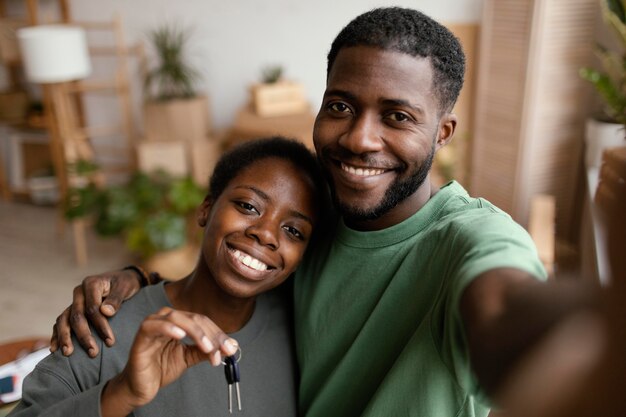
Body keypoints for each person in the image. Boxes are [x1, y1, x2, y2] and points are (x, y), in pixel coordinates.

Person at [47, 7, 598, 417]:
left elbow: (501, 305)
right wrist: (137, 283)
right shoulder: (323, 218)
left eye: (398, 116)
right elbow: (247, 259)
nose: (360, 139)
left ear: (443, 132)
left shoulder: (475, 238)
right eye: (341, 106)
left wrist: (585, 337)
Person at [10, 137, 330, 416]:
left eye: (293, 230)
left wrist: (139, 274)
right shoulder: (102, 332)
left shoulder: (301, 325)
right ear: (205, 208)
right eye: (248, 206)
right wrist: (121, 394)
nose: (266, 234)